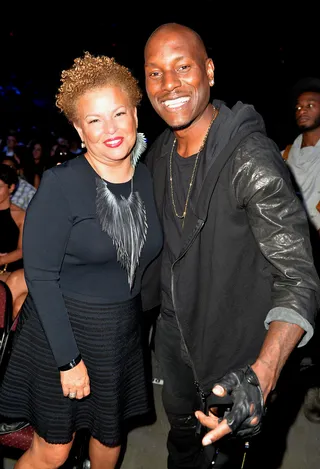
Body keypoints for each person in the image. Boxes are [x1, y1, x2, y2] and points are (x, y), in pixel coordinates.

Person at [142, 23, 320, 468]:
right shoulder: (160, 153)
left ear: (210, 71)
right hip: (177, 353)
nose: (170, 85)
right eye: (155, 73)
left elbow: (298, 277)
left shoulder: (250, 159)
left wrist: (264, 372)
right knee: (182, 452)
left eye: (182, 67)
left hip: (236, 363)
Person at [0, 52, 163, 469]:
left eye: (118, 114)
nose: (110, 129)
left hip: (122, 334)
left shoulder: (146, 178)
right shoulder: (61, 184)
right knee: (53, 450)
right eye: (94, 120)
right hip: (64, 333)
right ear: (79, 129)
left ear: (135, 114)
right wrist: (68, 361)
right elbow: (39, 276)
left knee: (109, 439)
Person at [282, 77, 320, 425]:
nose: (302, 110)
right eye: (298, 106)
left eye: (310, 104)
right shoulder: (287, 153)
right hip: (292, 245)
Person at [0, 163, 25, 281]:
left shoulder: (21, 216)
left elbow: (22, 250)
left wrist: (2, 260)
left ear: (11, 188)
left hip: (11, 269)